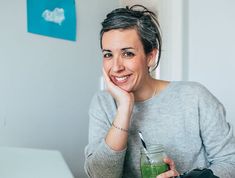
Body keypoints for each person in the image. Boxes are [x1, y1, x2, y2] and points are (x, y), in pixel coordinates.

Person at [84, 5, 235, 178]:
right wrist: (125, 108)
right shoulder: (103, 103)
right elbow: (101, 175)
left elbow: (230, 162)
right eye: (108, 55)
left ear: (150, 56)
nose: (116, 67)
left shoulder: (195, 97)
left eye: (127, 54)